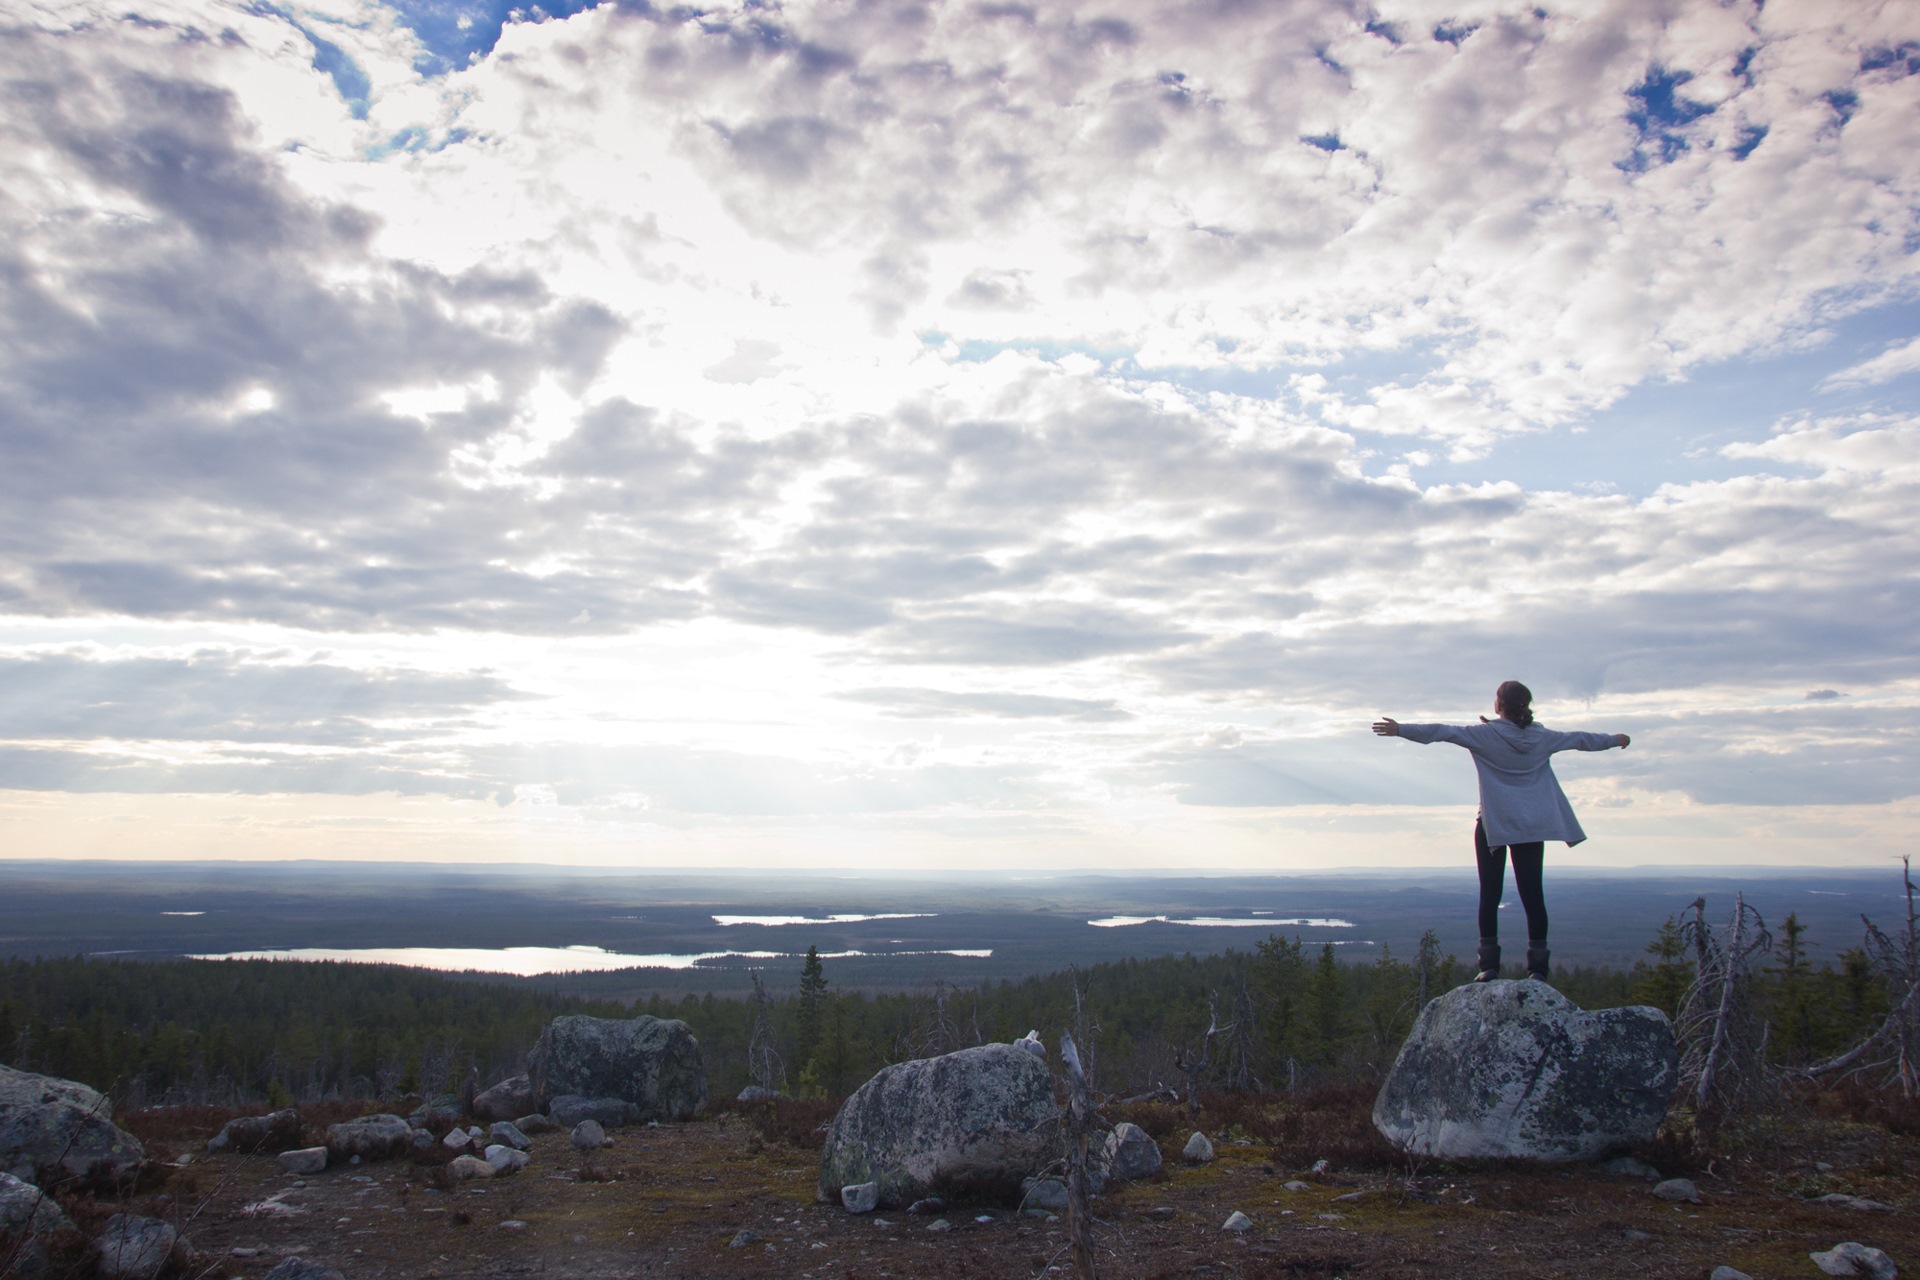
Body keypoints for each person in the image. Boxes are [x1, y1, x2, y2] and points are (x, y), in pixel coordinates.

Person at [1371, 680, 1630, 983]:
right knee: (1533, 895)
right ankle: (1538, 970)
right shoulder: (1542, 737)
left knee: (1490, 894)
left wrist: (1401, 729)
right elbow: (1581, 739)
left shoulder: (1484, 735)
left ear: (1499, 705)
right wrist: (1615, 739)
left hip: (1494, 824)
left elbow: (1441, 732)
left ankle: (1489, 966)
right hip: (1530, 827)